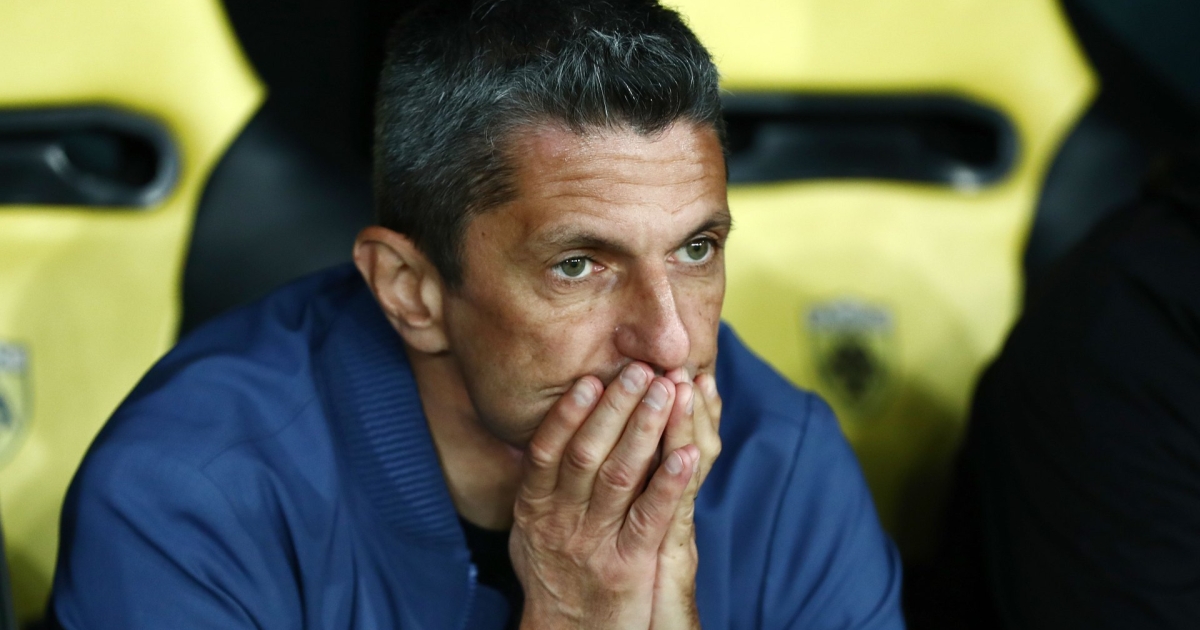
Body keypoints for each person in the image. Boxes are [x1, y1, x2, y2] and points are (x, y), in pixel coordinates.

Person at [49, 1, 903, 627]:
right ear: (409, 291)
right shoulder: (185, 495)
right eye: (578, 266)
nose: (671, 340)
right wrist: (578, 617)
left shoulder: (783, 460)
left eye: (695, 250)